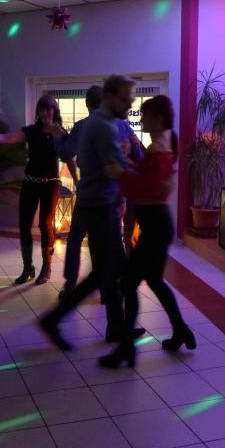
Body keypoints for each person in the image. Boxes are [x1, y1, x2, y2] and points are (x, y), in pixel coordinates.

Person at [98, 95, 197, 368]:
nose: (141, 119)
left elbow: (147, 188)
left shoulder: (159, 149)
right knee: (153, 281)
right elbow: (146, 175)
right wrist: (127, 162)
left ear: (158, 118)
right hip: (157, 224)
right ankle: (180, 330)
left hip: (155, 226)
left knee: (128, 283)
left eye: (145, 115)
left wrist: (119, 173)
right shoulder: (160, 146)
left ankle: (126, 349)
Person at [39, 75, 135, 350]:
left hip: (97, 204)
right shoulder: (103, 127)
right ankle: (57, 319)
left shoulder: (95, 124)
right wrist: (147, 174)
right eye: (126, 98)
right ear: (109, 98)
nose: (130, 104)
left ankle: (115, 326)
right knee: (110, 270)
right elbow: (115, 169)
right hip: (101, 208)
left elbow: (76, 155)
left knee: (109, 270)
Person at [59, 85, 143, 296]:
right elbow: (139, 157)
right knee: (111, 242)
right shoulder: (122, 126)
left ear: (87, 104)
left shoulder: (82, 127)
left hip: (88, 196)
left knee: (76, 239)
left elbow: (65, 153)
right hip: (114, 195)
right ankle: (110, 289)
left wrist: (58, 137)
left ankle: (70, 285)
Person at [0, 95, 66, 286]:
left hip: (51, 184)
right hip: (30, 182)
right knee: (24, 224)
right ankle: (28, 267)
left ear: (55, 111)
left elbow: (68, 155)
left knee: (45, 224)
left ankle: (47, 267)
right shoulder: (31, 131)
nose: (46, 112)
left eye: (49, 109)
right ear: (38, 112)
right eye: (42, 109)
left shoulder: (60, 132)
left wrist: (59, 138)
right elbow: (7, 138)